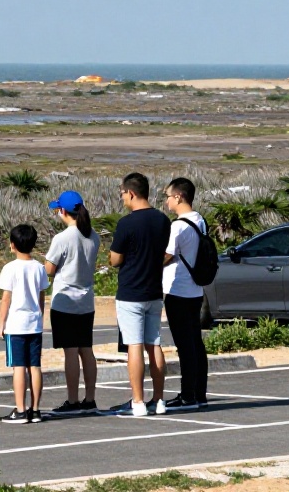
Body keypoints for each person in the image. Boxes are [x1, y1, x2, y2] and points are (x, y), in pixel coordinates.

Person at [108, 172, 171, 417]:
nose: (122, 197)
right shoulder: (162, 220)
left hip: (131, 290)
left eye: (123, 193)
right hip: (154, 289)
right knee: (153, 344)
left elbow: (115, 258)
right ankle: (159, 399)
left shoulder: (126, 223)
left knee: (134, 345)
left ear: (131, 193)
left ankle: (137, 401)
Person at [44, 190, 100, 415]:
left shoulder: (63, 238)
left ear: (63, 211)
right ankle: (90, 398)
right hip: (86, 301)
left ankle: (73, 399)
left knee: (70, 352)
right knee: (86, 350)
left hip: (65, 301)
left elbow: (49, 269)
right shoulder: (93, 235)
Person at [162, 177, 209, 411]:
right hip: (195, 289)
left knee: (185, 345)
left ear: (179, 197)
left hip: (177, 290)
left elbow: (167, 255)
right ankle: (199, 392)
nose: (167, 201)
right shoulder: (200, 220)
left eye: (168, 196)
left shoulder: (178, 226)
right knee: (195, 343)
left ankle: (187, 394)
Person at [0, 223, 49, 424]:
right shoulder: (39, 268)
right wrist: (40, 316)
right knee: (34, 366)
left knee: (18, 366)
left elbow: (5, 299)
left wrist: (2, 322)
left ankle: (20, 410)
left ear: (12, 245)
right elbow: (41, 296)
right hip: (34, 323)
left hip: (16, 324)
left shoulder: (10, 268)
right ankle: (35, 409)